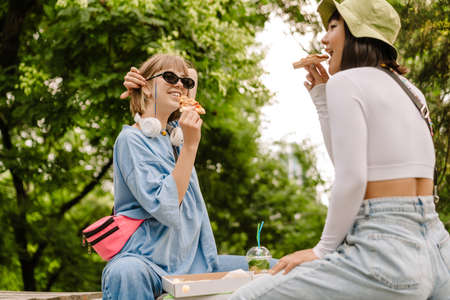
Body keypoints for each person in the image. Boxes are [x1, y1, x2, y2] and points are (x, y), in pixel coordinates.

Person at [230, 0, 449, 299]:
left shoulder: (347, 82)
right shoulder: (411, 90)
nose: (323, 39)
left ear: (358, 32)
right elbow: (354, 164)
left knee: (246, 296)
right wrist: (322, 99)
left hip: (386, 249)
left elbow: (352, 178)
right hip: (438, 250)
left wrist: (323, 249)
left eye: (333, 27)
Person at [101, 54, 254, 300]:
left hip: (197, 261)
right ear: (148, 88)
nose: (181, 84)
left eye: (185, 82)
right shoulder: (132, 140)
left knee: (282, 269)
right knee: (125, 272)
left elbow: (189, 82)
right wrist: (191, 147)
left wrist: (170, 80)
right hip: (148, 262)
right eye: (170, 77)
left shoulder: (175, 137)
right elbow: (165, 206)